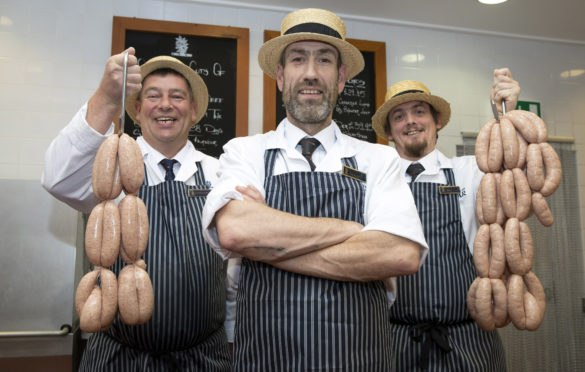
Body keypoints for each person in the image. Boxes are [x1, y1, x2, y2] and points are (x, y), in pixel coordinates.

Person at [201, 8, 429, 372]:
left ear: (340, 78)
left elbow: (400, 254)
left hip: (362, 360)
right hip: (265, 360)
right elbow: (236, 231)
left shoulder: (378, 158)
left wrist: (268, 245)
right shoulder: (245, 151)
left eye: (323, 60)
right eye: (297, 59)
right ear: (280, 75)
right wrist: (350, 231)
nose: (310, 72)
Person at [41, 48, 231, 371]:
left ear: (195, 111)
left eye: (177, 96)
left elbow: (236, 277)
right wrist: (106, 97)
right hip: (118, 358)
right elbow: (57, 178)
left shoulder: (221, 173)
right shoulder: (109, 169)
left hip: (204, 359)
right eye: (153, 96)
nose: (166, 105)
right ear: (138, 109)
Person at [371, 69, 521, 371]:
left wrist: (508, 114)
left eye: (419, 111)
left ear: (437, 121)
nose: (410, 121)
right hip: (394, 340)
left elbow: (519, 176)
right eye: (398, 116)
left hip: (470, 339)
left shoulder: (471, 171)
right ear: (389, 132)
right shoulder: (375, 184)